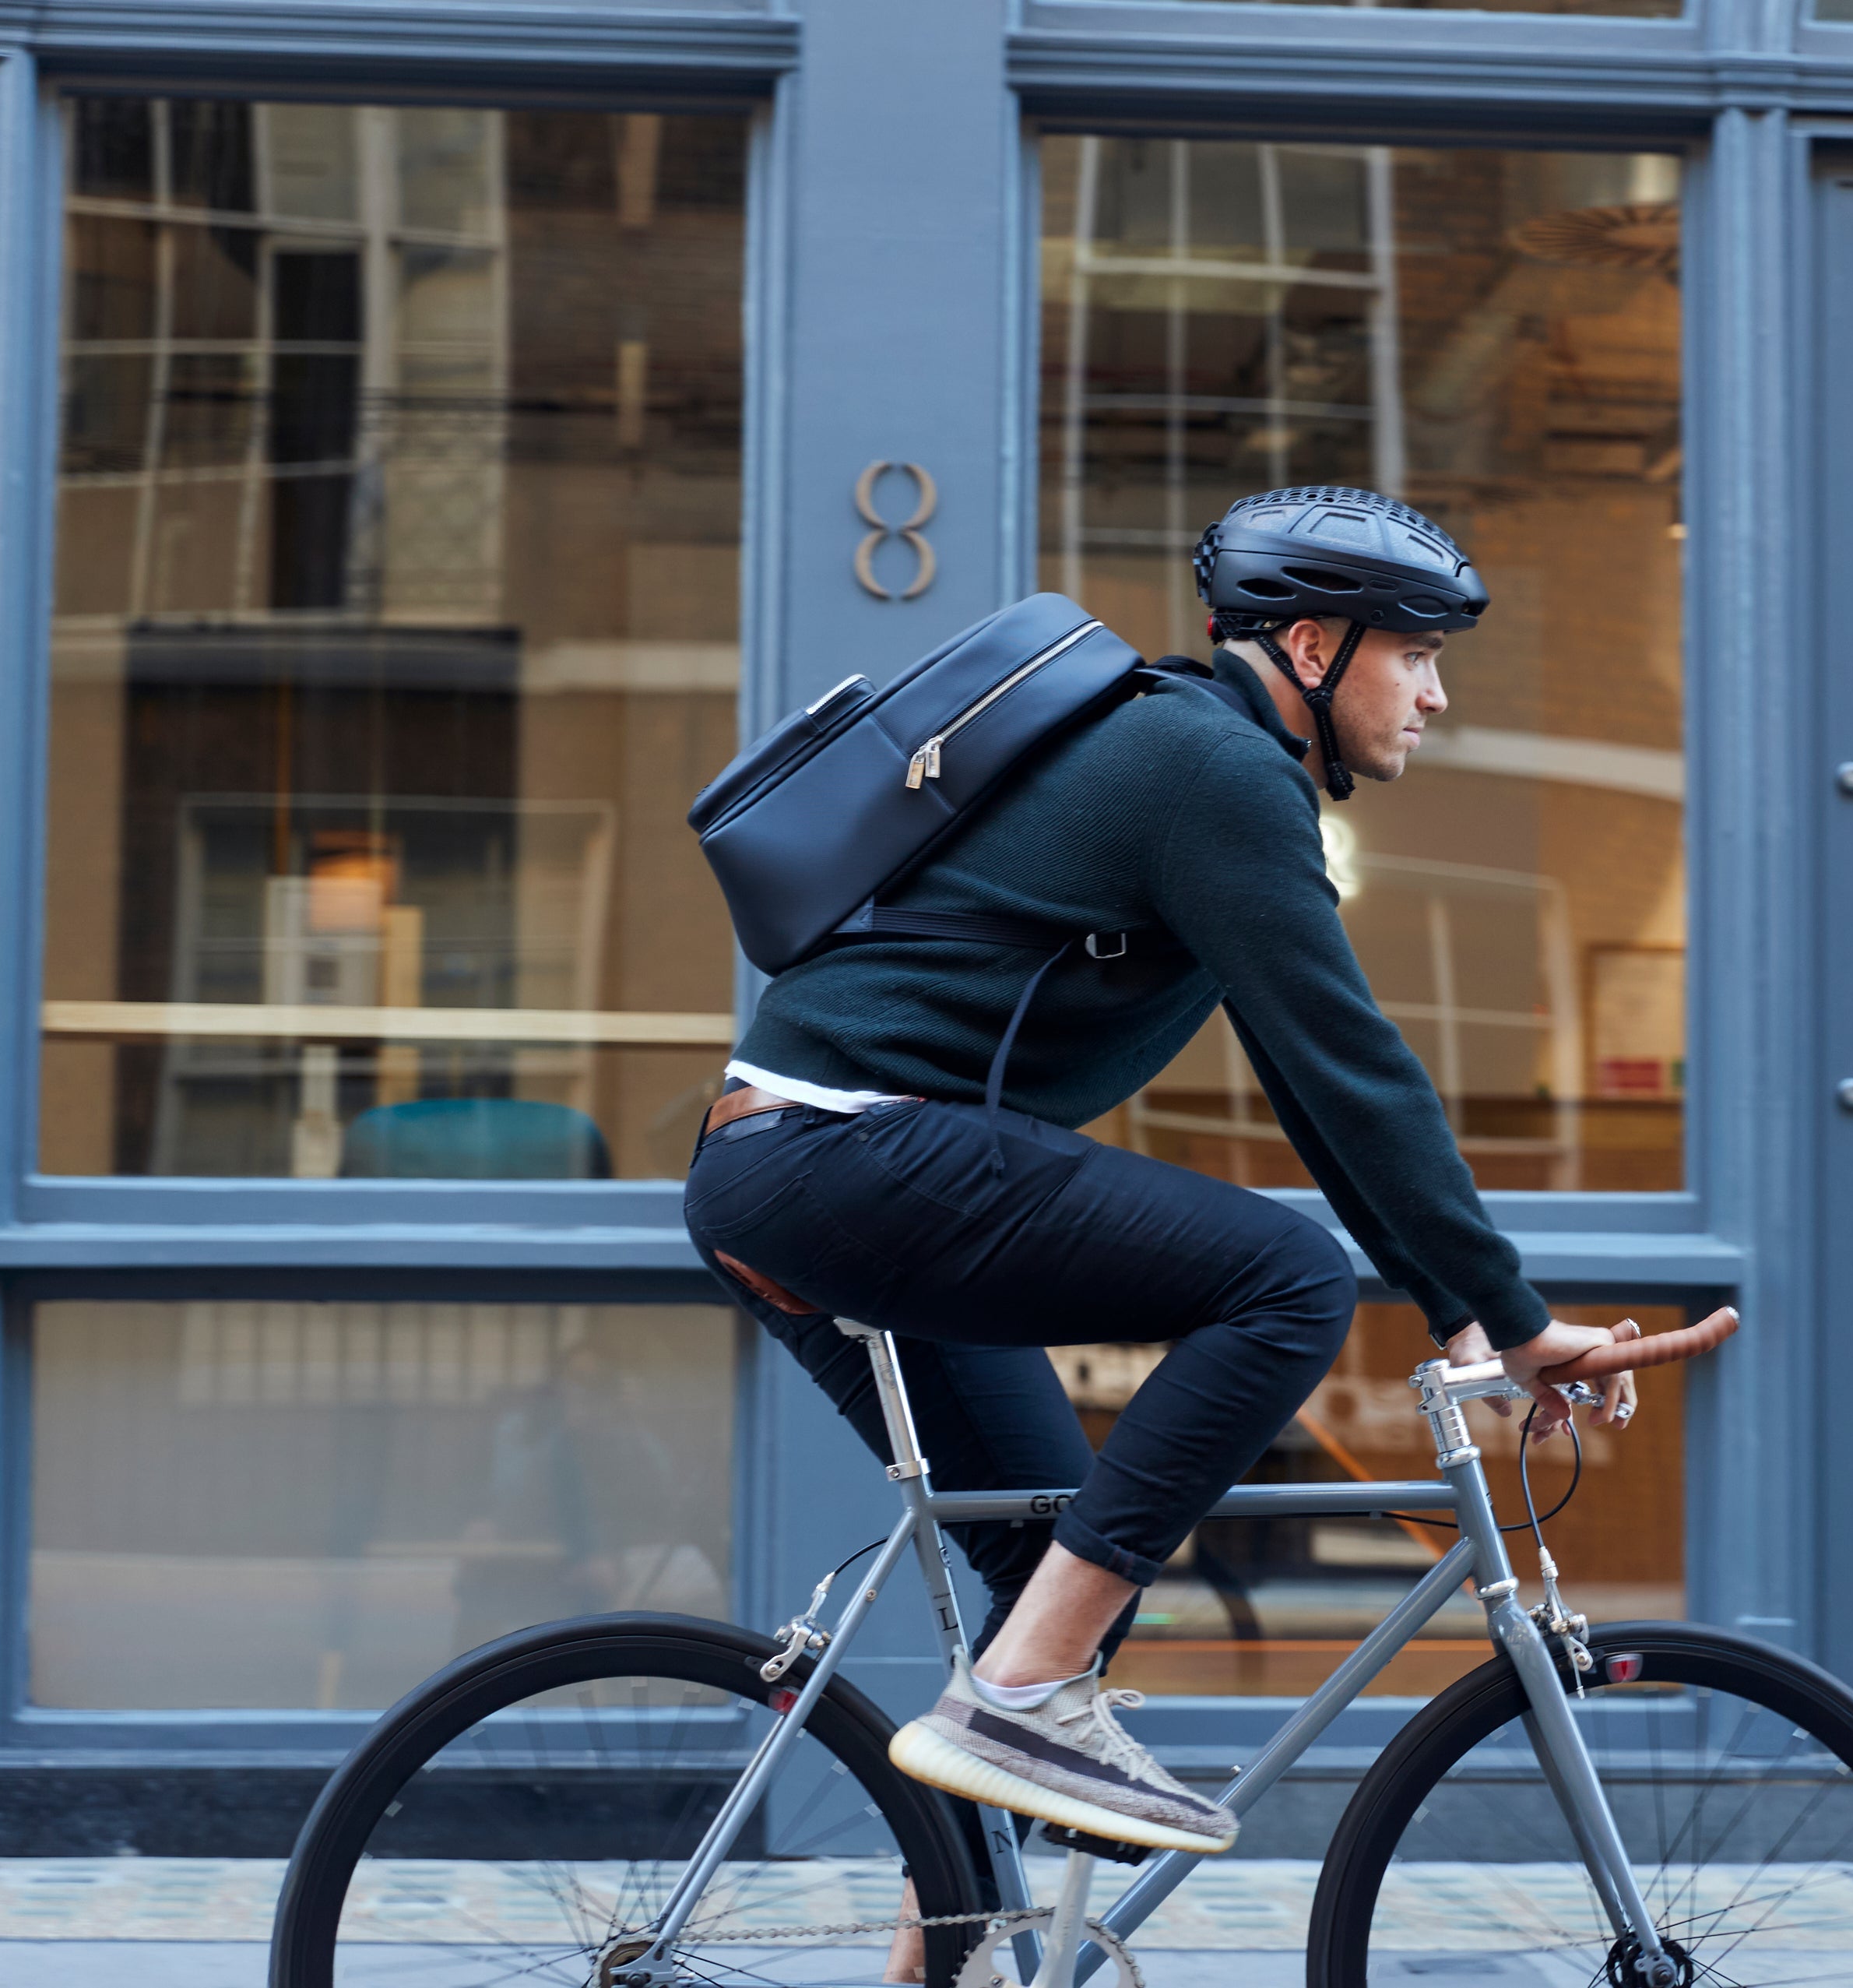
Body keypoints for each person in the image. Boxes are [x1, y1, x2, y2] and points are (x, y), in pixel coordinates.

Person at [681, 486, 1640, 1877]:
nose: (1435, 694)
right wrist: (1502, 1306)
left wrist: (1468, 1308)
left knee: (1058, 1579)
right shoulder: (1211, 770)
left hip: (784, 1165)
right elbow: (1350, 1067)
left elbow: (1321, 1089)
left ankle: (958, 1957)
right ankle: (1019, 1703)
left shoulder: (1178, 751)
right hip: (850, 1154)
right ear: (1313, 647)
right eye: (1416, 653)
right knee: (1288, 1275)